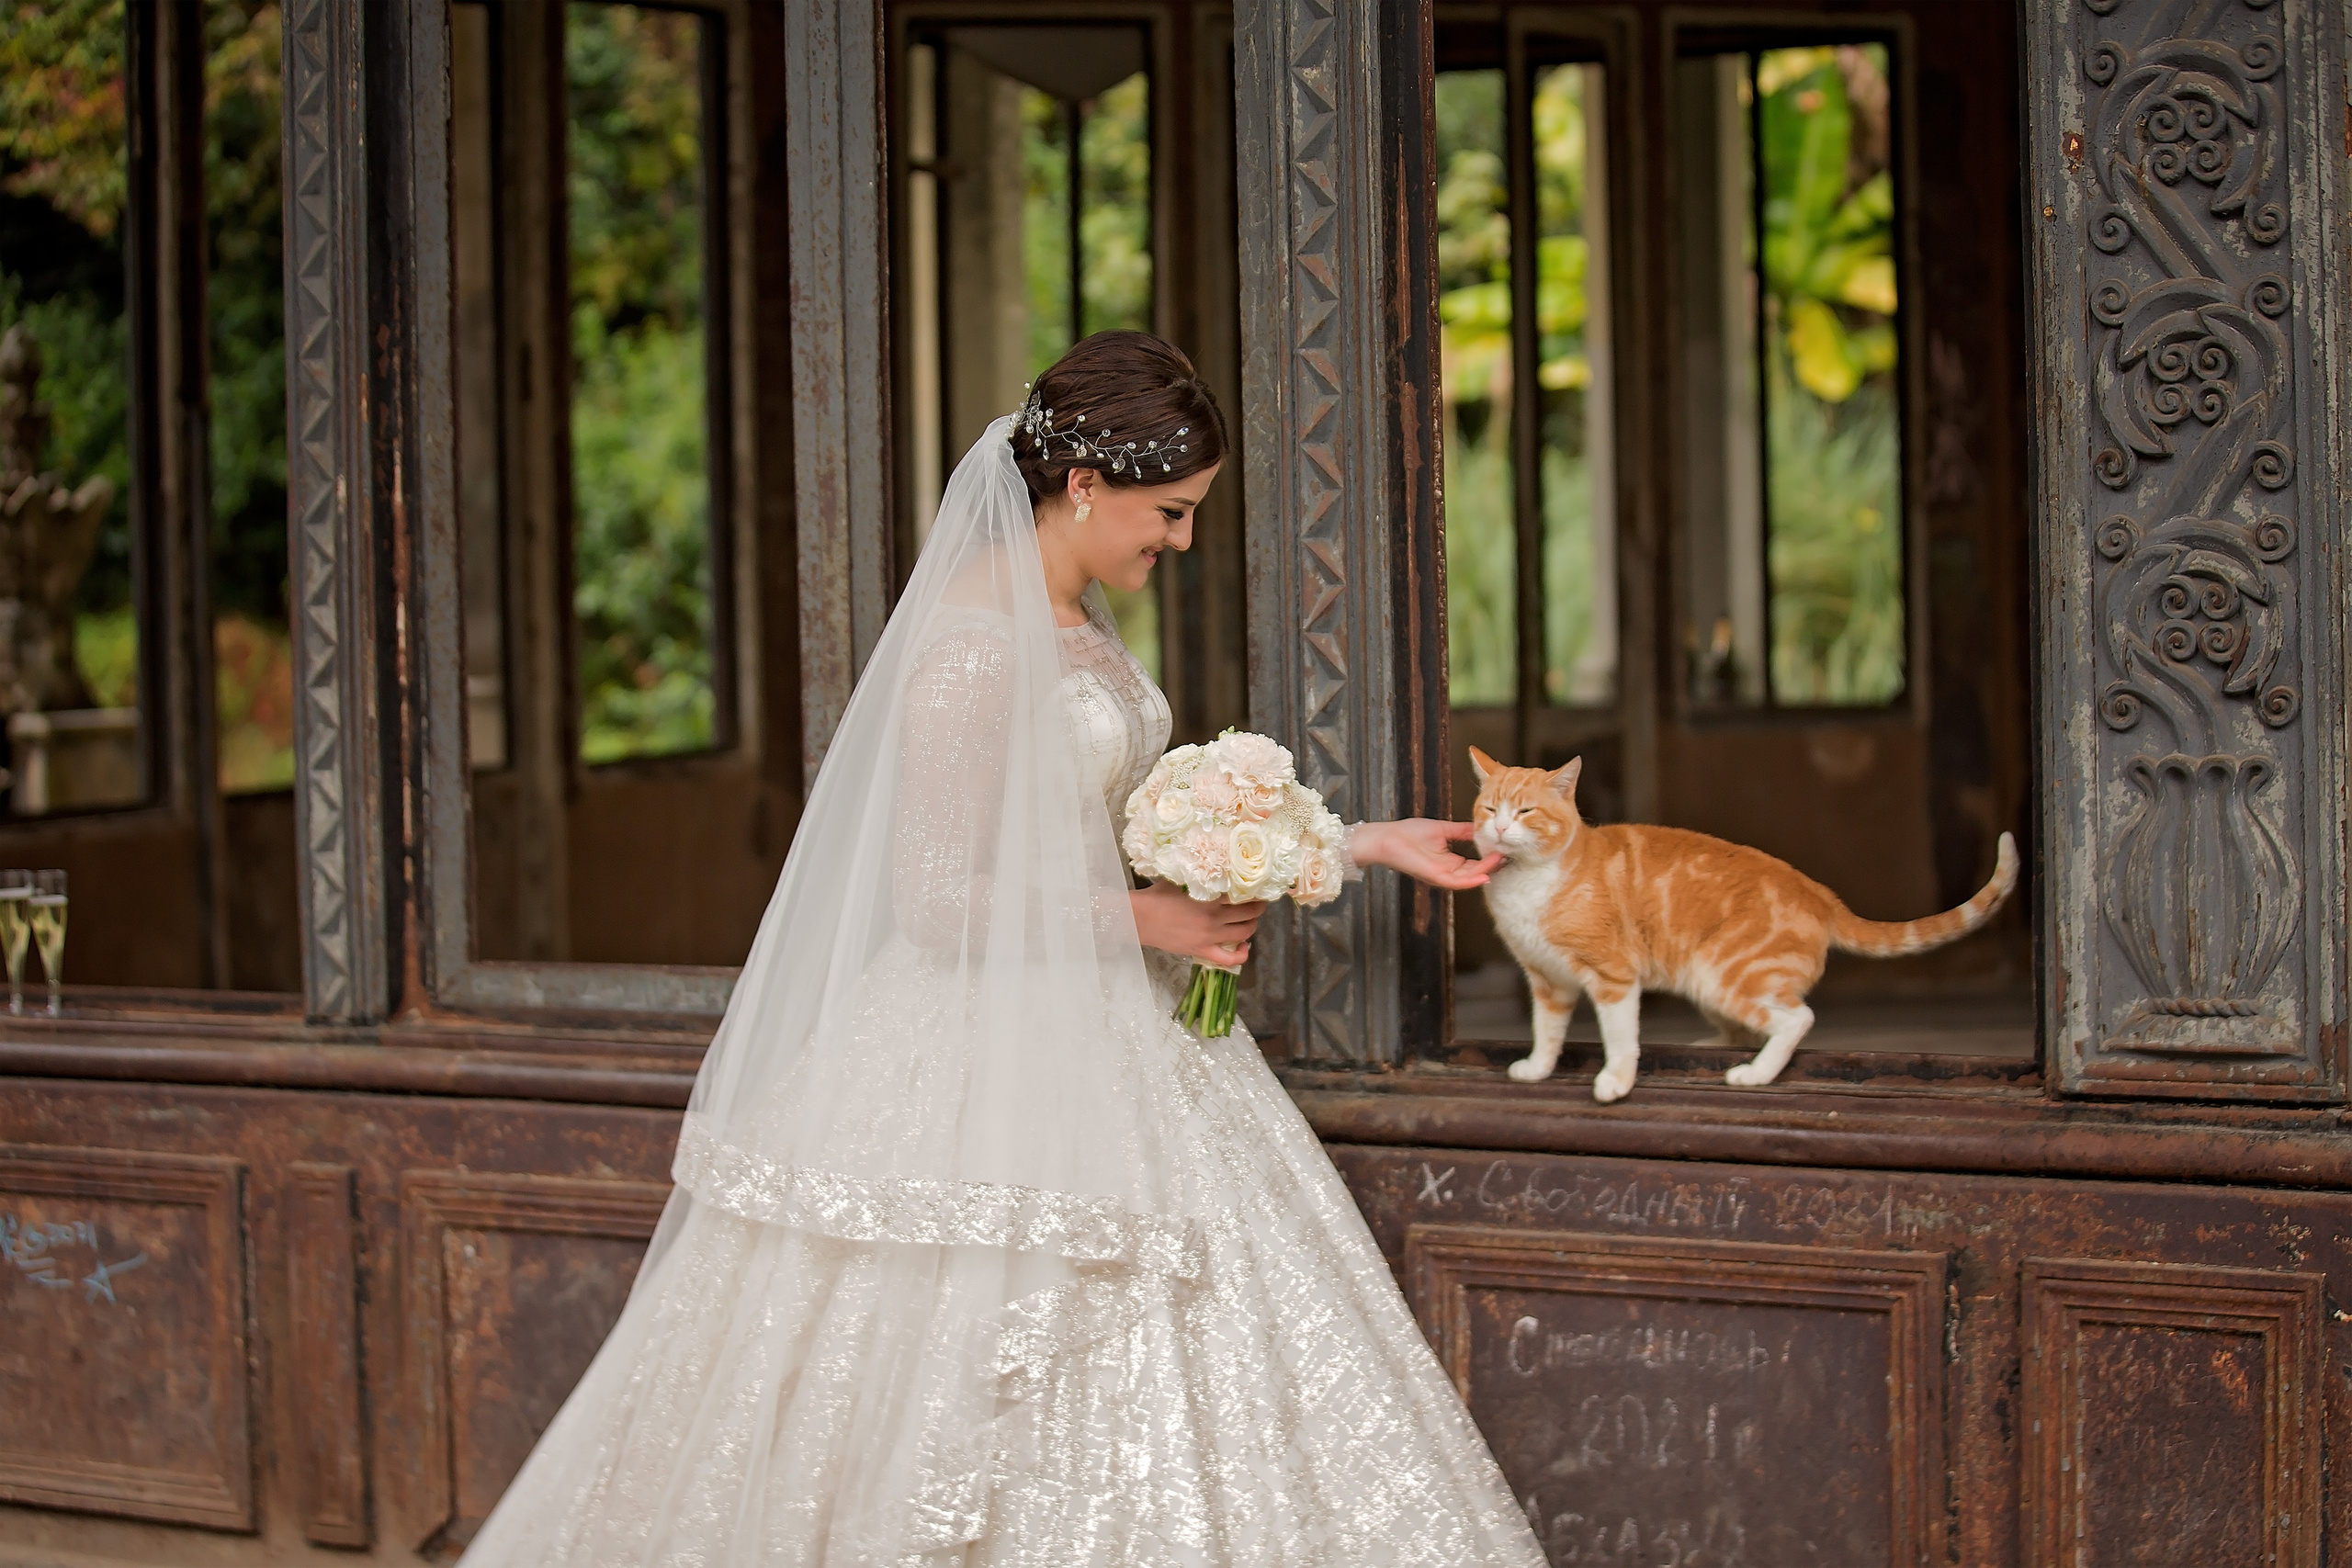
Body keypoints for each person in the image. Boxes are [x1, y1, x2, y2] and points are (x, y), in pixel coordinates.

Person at [459, 332, 1546, 1566]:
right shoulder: (971, 648)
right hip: (982, 1053)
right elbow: (934, 898)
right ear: (1084, 485)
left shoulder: (1076, 616)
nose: (1182, 542)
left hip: (1127, 1032)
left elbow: (1122, 823)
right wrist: (1144, 917)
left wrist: (1361, 842)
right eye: (1171, 512)